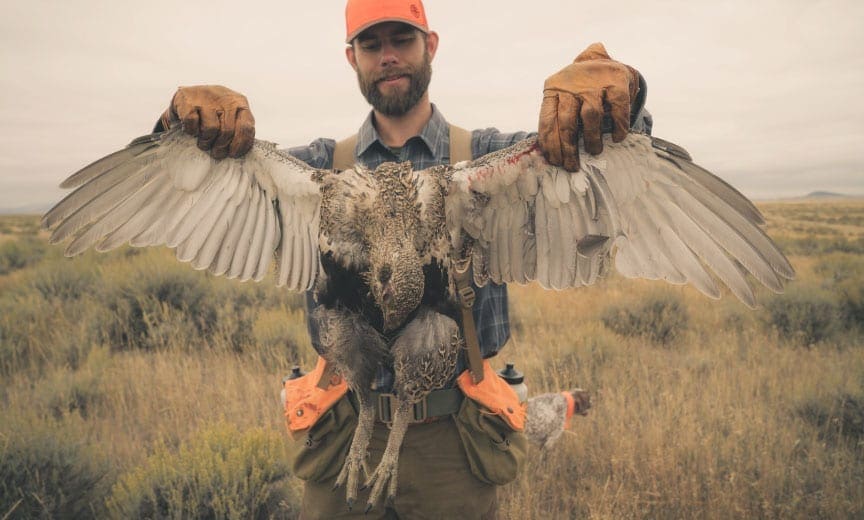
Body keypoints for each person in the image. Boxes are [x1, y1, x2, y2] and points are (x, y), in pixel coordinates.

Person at [156, 1, 649, 517]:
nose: (388, 55)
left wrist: (624, 96)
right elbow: (190, 177)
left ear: (430, 46)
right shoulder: (317, 169)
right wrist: (181, 125)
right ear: (352, 58)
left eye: (402, 40)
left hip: (454, 444)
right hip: (342, 430)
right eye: (372, 44)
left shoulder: (487, 158)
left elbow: (611, 159)